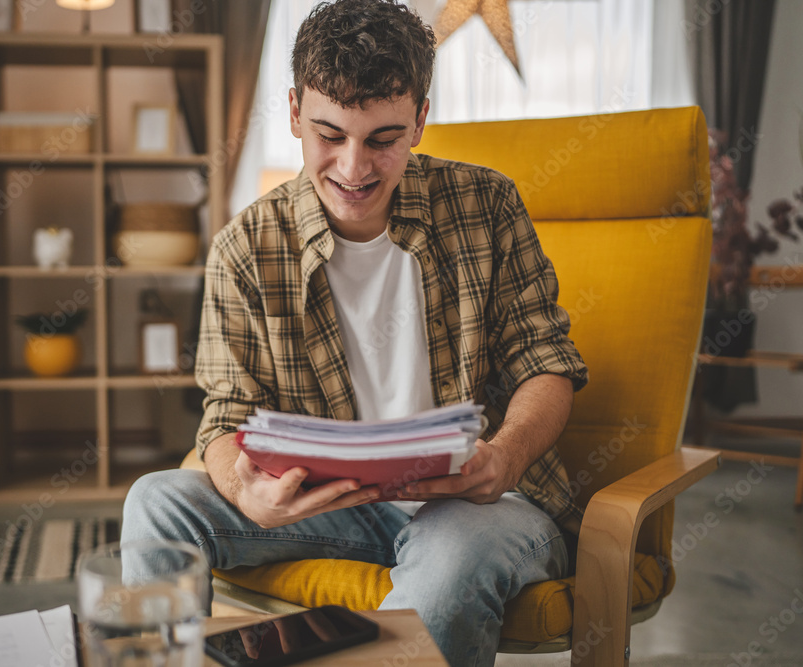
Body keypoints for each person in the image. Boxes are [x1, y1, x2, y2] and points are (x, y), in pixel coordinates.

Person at [123, 1, 588, 664]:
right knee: (156, 501)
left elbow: (547, 362)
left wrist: (504, 456)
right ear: (292, 113)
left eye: (382, 139)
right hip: (327, 504)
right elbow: (225, 415)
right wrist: (245, 488)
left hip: (475, 504)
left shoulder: (489, 206)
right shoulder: (245, 247)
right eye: (329, 134)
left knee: (449, 561)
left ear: (421, 120)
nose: (353, 166)